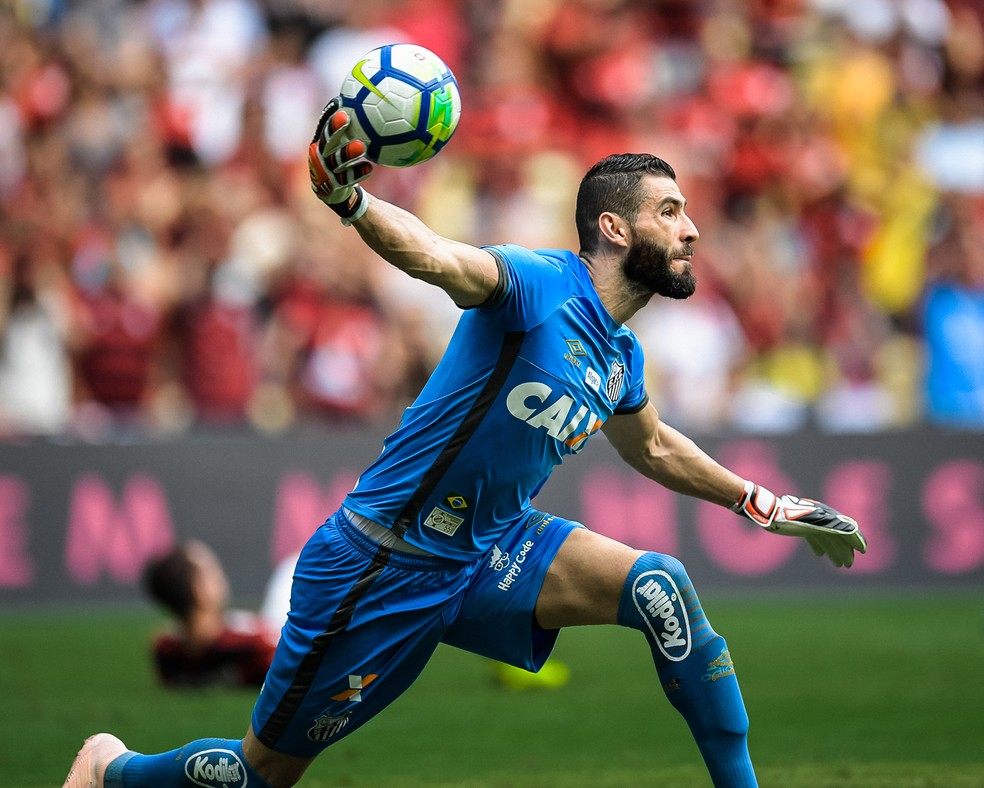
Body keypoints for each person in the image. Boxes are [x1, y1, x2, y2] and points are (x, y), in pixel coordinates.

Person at [64, 98, 867, 788]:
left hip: (489, 550)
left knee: (662, 586)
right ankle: (113, 769)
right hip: (380, 563)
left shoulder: (621, 356)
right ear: (614, 227)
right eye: (670, 212)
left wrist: (761, 502)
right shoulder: (539, 284)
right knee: (259, 775)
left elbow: (652, 447)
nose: (691, 229)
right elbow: (438, 257)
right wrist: (351, 203)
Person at [141, 541, 291, 688]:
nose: (221, 576)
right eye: (212, 571)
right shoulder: (256, 645)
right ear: (199, 590)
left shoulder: (166, 650)